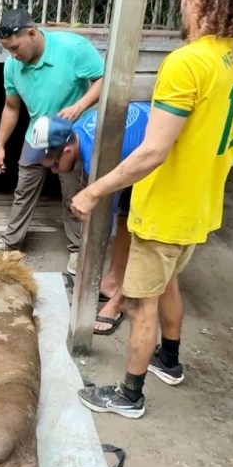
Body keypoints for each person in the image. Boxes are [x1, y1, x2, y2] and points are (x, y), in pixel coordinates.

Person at [70, 0, 233, 418]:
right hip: (200, 207)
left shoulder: (187, 62)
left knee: (139, 304)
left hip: (164, 210)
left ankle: (129, 396)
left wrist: (94, 192)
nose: (183, 6)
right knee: (168, 284)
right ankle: (170, 359)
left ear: (205, 4)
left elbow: (153, 152)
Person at [0, 8, 105, 276]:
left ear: (32, 33)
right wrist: (0, 145)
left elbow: (104, 79)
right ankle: (10, 242)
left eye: (15, 47)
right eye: (7, 50)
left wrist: (80, 105)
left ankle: (76, 249)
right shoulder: (12, 65)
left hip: (72, 134)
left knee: (73, 192)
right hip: (37, 134)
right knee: (23, 189)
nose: (13, 55)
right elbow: (11, 108)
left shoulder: (73, 48)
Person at [28, 102, 151, 335]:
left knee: (144, 232)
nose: (53, 171)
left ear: (66, 151)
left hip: (163, 159)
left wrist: (87, 266)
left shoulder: (101, 154)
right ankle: (114, 280)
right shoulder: (80, 130)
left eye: (53, 165)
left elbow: (102, 223)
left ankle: (120, 301)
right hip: (137, 146)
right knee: (126, 218)